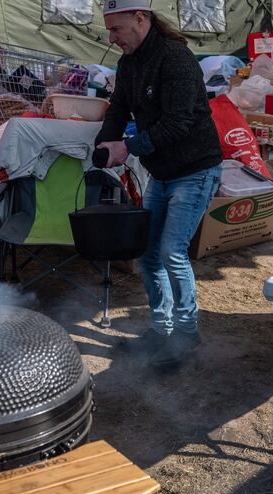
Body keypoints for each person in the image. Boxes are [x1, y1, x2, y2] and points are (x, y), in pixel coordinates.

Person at [95, 0, 223, 366]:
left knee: (171, 251)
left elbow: (179, 123)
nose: (111, 37)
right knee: (146, 254)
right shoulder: (129, 62)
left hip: (196, 169)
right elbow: (118, 108)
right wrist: (104, 144)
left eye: (116, 29)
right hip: (163, 172)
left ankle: (187, 334)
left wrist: (128, 147)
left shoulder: (175, 58)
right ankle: (162, 329)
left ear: (140, 18)